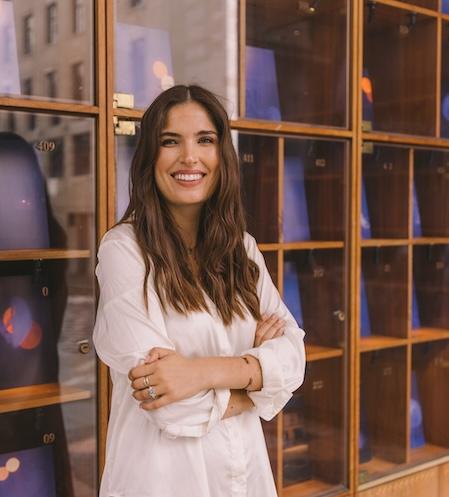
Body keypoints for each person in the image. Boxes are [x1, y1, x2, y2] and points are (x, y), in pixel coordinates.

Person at [92, 84, 307, 497]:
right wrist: (257, 384)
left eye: (205, 140)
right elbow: (167, 403)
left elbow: (294, 358)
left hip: (246, 477)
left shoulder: (242, 248)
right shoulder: (123, 250)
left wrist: (199, 373)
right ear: (149, 157)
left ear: (221, 155)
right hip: (162, 482)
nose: (189, 157)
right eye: (170, 141)